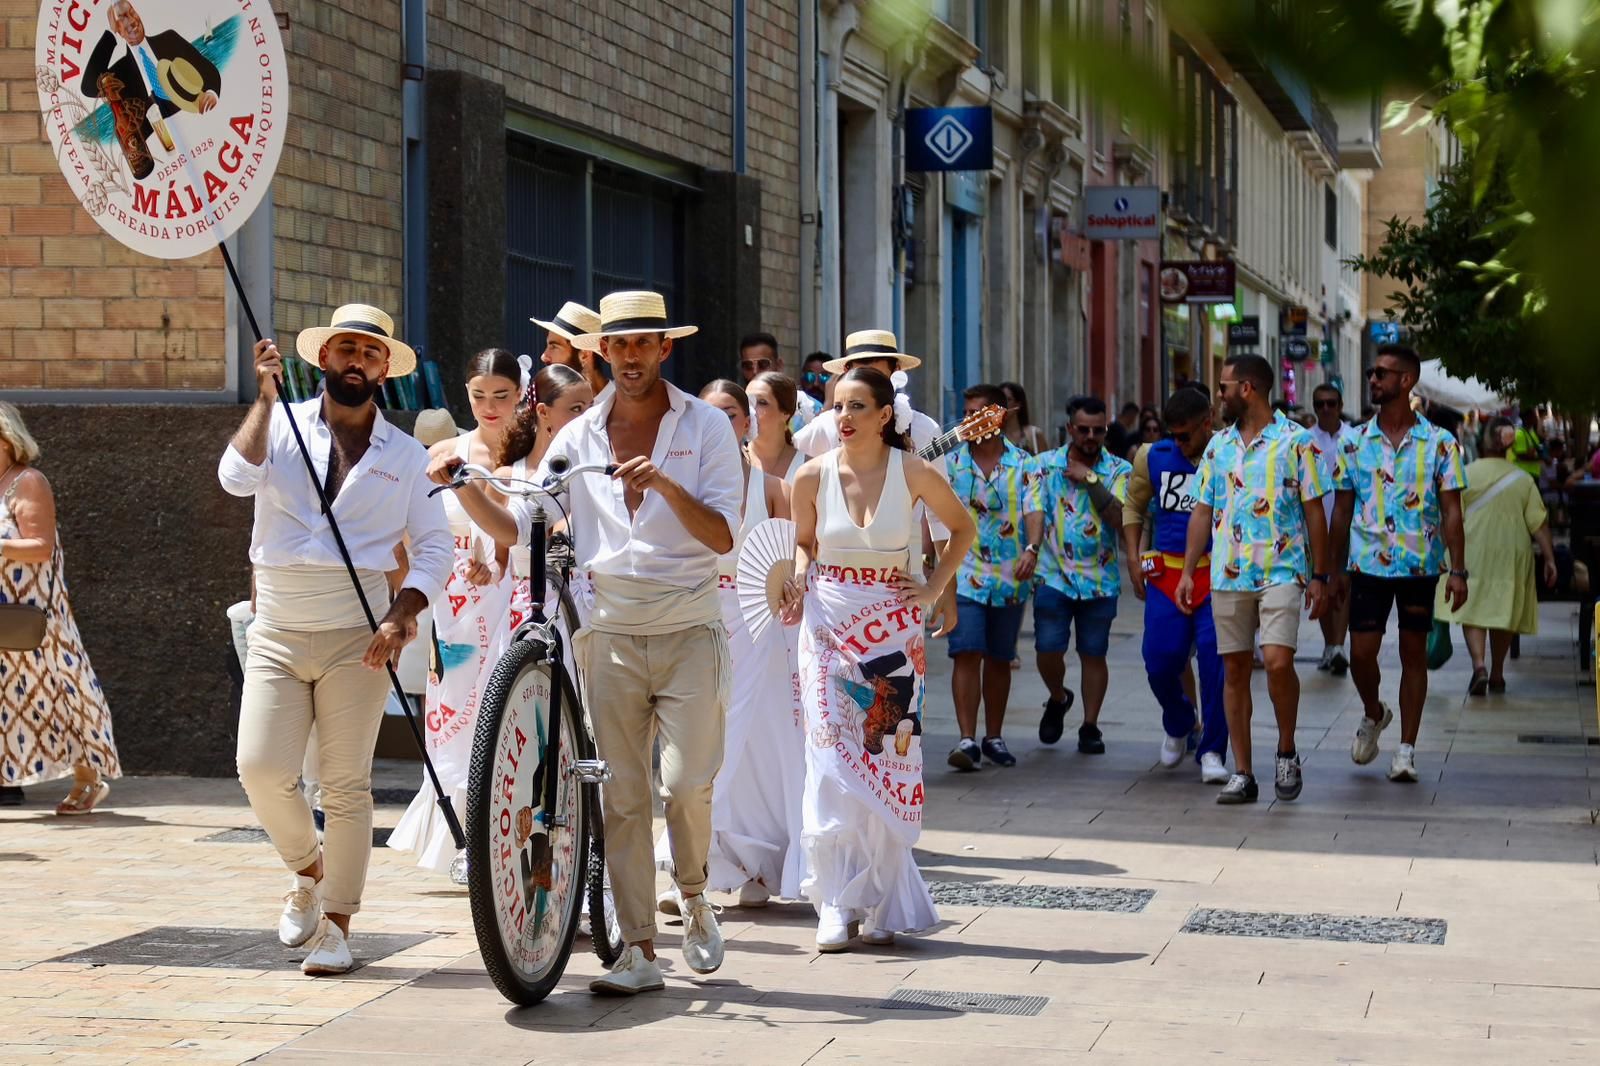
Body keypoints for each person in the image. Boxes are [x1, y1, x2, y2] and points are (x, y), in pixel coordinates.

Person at [441, 290, 739, 995]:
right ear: (602, 350)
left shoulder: (705, 426)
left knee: (686, 784)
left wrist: (666, 486)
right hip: (609, 632)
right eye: (619, 344)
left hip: (690, 625)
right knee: (622, 795)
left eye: (643, 343)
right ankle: (638, 948)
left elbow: (725, 536)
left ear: (665, 348)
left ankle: (693, 892)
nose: (631, 356)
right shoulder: (578, 437)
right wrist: (462, 486)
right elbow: (522, 528)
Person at [219, 304, 452, 975]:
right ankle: (307, 869)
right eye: (346, 348)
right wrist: (265, 400)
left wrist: (403, 612)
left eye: (370, 353)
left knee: (346, 785)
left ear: (384, 369)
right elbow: (234, 479)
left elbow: (434, 548)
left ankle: (339, 926)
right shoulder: (280, 425)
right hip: (278, 625)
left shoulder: (406, 456)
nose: (357, 360)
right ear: (324, 358)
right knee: (260, 768)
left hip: (361, 633)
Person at [778, 366, 975, 952]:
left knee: (886, 751)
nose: (843, 417)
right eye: (838, 406)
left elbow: (961, 529)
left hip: (893, 627)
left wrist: (933, 588)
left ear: (885, 414)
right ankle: (835, 901)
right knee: (830, 756)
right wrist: (797, 576)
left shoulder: (913, 470)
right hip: (827, 625)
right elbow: (804, 544)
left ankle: (882, 894)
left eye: (857, 406)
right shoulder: (810, 475)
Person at [654, 380, 800, 910]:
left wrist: (793, 583)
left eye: (734, 413)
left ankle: (756, 861)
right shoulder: (681, 488)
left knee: (756, 745)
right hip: (695, 616)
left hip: (759, 626)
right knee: (700, 744)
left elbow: (794, 555)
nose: (723, 422)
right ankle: (693, 866)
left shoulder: (772, 488)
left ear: (747, 422)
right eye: (711, 413)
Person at [388, 350, 524, 882]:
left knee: (507, 707)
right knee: (452, 712)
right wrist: (411, 587)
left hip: (514, 594)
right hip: (454, 603)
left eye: (502, 395)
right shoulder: (445, 453)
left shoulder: (532, 451)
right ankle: (458, 838)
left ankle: (506, 834)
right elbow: (409, 525)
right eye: (478, 395)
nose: (490, 406)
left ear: (520, 394)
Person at [1177, 354, 1331, 806]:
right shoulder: (1218, 446)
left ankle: (1286, 749)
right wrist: (1188, 571)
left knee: (1278, 662)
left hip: (1282, 569)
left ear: (1247, 389)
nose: (1218, 395)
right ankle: (1243, 772)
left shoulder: (1297, 442)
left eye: (1224, 387)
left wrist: (1321, 576)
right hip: (1228, 573)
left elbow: (1315, 512)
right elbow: (1202, 510)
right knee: (1235, 670)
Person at [1329, 346, 1468, 783]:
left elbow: (1452, 511)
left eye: (1382, 373)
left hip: (1419, 566)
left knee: (1413, 654)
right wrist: (1332, 572)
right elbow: (1341, 511)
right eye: (1372, 373)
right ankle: (1374, 712)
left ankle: (1406, 750)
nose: (1373, 379)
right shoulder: (1353, 442)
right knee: (1360, 654)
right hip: (1367, 566)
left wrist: (1458, 571)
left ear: (1406, 381)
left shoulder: (1440, 443)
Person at [0, 404, 120, 813]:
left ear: (6, 440)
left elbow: (40, 547)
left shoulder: (27, 482)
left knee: (62, 693)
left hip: (35, 613)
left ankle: (89, 778)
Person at [1122, 387, 1229, 784]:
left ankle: (1213, 749)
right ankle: (1181, 719)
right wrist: (1133, 555)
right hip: (1167, 573)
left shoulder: (1228, 453)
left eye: (1186, 435)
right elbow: (1133, 506)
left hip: (1217, 574)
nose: (1179, 442)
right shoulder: (1152, 455)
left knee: (1216, 665)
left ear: (1208, 421)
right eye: (1174, 434)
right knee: (1159, 658)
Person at [943, 385, 1043, 772]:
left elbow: (1035, 509)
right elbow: (931, 512)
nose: (970, 420)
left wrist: (1031, 549)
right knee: (966, 651)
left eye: (978, 413)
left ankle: (994, 736)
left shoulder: (1023, 463)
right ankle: (967, 739)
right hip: (963, 572)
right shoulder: (951, 462)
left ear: (997, 415)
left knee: (1000, 658)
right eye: (967, 413)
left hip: (1010, 575)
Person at [1033, 396, 1131, 755]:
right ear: (1070, 428)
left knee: (1093, 653)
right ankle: (1058, 697)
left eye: (1098, 430)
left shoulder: (1119, 470)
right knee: (1047, 648)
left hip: (1099, 578)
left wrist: (1090, 479)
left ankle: (1090, 726)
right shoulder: (1044, 466)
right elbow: (1031, 512)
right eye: (1084, 430)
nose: (1091, 437)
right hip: (1052, 575)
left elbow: (1120, 518)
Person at [1437, 417, 1559, 695]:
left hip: (1472, 550)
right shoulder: (1523, 480)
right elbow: (1538, 524)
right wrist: (1550, 558)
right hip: (1511, 552)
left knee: (1473, 608)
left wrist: (1443, 551)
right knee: (1503, 609)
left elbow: (1450, 517)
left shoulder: (1465, 473)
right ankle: (1497, 672)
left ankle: (1479, 665)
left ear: (1483, 442)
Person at [1308, 383, 1360, 675]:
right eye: (1320, 404)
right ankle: (1330, 644)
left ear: (1340, 406)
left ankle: (1339, 645)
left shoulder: (1354, 438)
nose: (1326, 409)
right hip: (1315, 528)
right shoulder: (1305, 440)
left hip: (1347, 525)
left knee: (1342, 585)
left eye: (1331, 403)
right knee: (1321, 585)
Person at [739, 333, 821, 431]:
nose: (755, 371)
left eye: (763, 364)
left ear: (779, 365)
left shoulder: (809, 407)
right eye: (748, 366)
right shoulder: (735, 410)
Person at [530, 301, 608, 398]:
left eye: (554, 346)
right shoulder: (554, 402)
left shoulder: (619, 404)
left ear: (584, 354)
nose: (544, 357)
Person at [747, 371, 807, 483]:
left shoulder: (809, 469)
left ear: (785, 413)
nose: (751, 410)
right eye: (748, 401)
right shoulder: (732, 461)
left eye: (762, 402)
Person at [998, 381, 1050, 455]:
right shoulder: (994, 436)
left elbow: (1046, 460)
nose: (1003, 404)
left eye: (1008, 400)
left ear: (1018, 404)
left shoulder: (1034, 434)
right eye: (1000, 399)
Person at [1511, 406, 1545, 479]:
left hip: (1534, 472)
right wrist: (1541, 458)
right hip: (1525, 473)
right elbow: (1521, 456)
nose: (1536, 417)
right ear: (1527, 418)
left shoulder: (1531, 432)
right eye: (1534, 415)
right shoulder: (1520, 434)